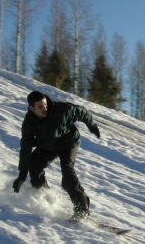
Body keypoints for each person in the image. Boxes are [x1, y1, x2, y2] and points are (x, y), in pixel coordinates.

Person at [12, 91, 100, 220]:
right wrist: (22, 174)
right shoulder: (29, 123)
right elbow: (26, 147)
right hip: (48, 145)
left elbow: (82, 112)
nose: (45, 109)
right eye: (40, 107)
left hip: (68, 143)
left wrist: (92, 125)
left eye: (45, 105)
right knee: (34, 165)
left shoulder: (61, 110)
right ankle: (44, 197)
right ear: (32, 108)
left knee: (67, 173)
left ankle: (82, 210)